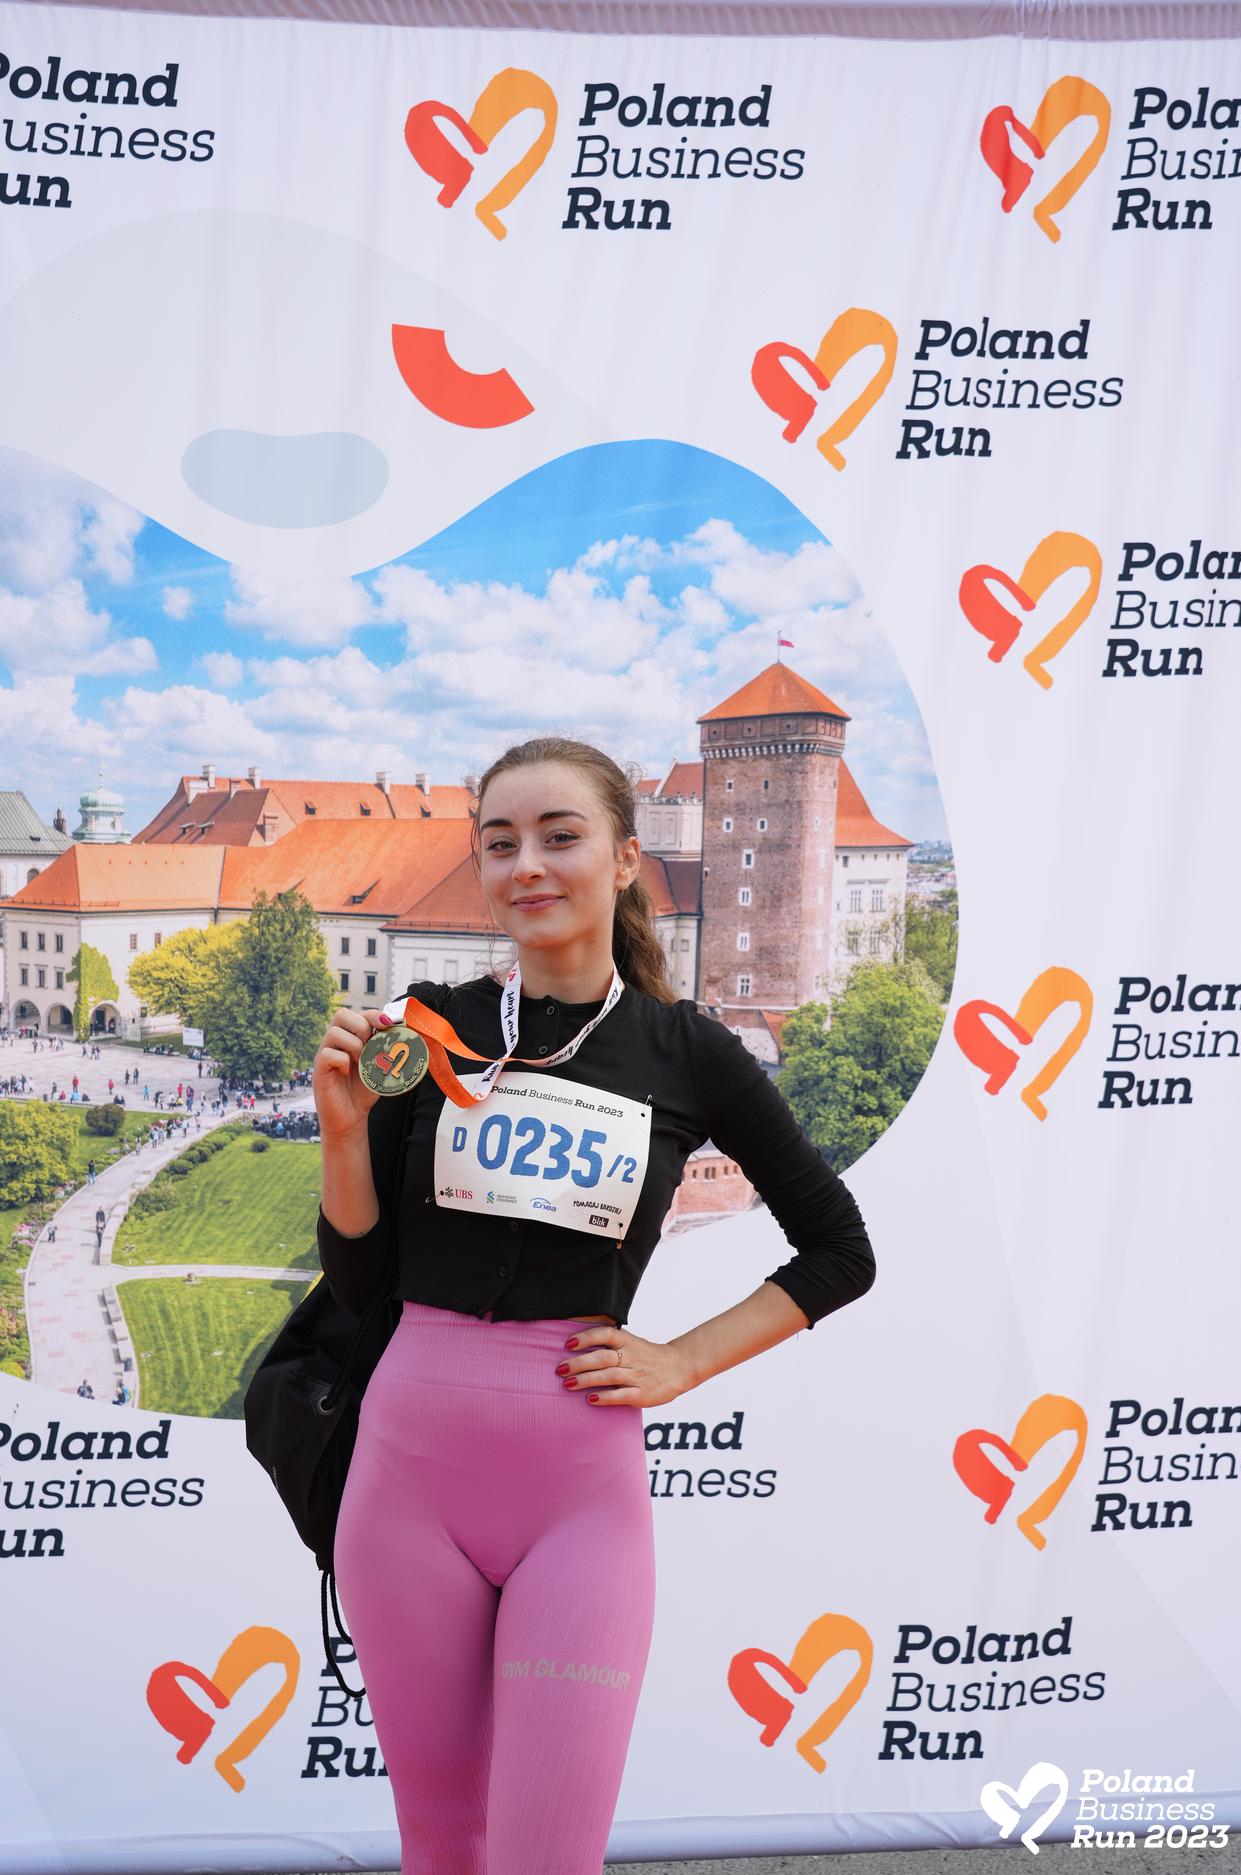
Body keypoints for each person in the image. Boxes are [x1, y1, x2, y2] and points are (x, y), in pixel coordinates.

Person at [313, 736, 876, 1874]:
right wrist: (339, 1132)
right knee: (440, 1845)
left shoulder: (687, 1051)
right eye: (499, 842)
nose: (526, 864)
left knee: (547, 1857)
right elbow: (361, 1278)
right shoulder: (429, 1025)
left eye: (558, 837)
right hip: (405, 1481)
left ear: (624, 859)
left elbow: (839, 1250)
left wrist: (683, 1360)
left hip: (576, 1492)